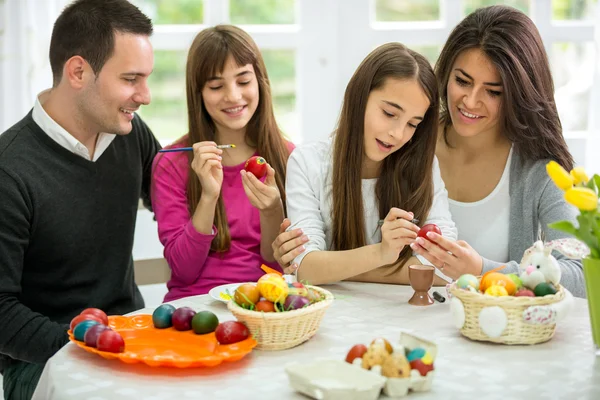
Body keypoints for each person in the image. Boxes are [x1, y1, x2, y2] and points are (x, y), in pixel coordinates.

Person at [0, 0, 159, 398]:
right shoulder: (9, 170)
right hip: (45, 362)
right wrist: (90, 349)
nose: (145, 96)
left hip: (129, 342)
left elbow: (179, 205)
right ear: (78, 72)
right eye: (130, 79)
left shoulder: (131, 134)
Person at [408, 5, 586, 297]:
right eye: (462, 81)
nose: (471, 101)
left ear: (519, 94)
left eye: (493, 91)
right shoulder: (409, 140)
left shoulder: (539, 171)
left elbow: (581, 277)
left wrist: (483, 269)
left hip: (495, 337)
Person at [277, 42, 457, 286]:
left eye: (412, 124)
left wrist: (330, 266)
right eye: (390, 113)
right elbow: (305, 268)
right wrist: (382, 254)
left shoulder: (424, 166)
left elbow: (445, 267)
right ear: (359, 97)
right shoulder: (307, 162)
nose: (398, 133)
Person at [151, 25, 294, 301]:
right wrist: (208, 196)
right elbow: (183, 270)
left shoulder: (288, 157)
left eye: (243, 81)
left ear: (260, 82)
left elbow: (278, 263)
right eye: (216, 86)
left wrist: (272, 208)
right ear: (199, 94)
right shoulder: (171, 164)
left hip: (264, 304)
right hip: (194, 306)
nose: (232, 96)